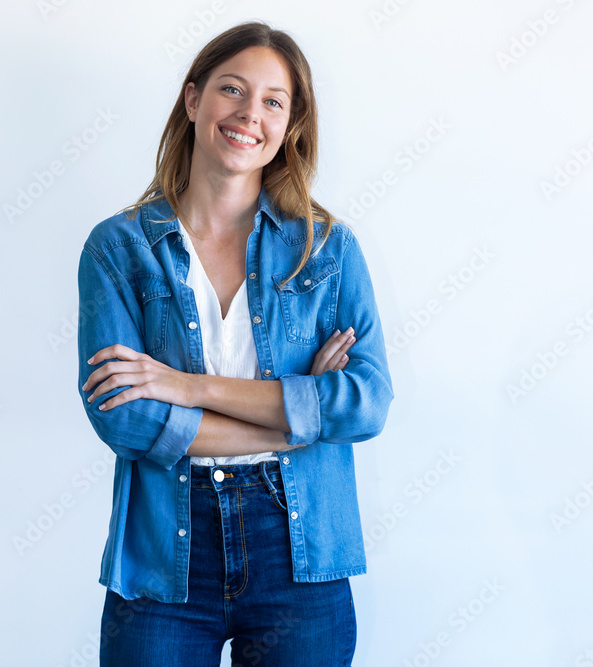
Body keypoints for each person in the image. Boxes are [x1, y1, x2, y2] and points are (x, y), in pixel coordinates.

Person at [76, 19, 394, 666]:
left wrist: (188, 389)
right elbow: (129, 420)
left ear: (290, 126)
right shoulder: (120, 249)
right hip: (164, 553)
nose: (250, 113)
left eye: (274, 101)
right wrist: (298, 418)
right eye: (232, 90)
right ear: (193, 100)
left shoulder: (326, 250)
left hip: (299, 551)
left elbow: (365, 404)